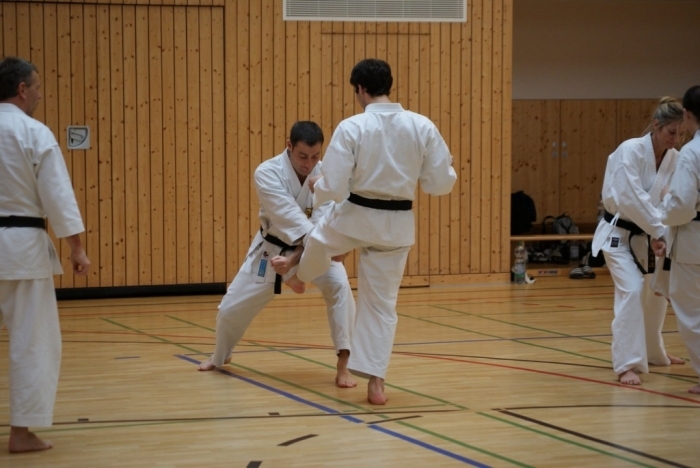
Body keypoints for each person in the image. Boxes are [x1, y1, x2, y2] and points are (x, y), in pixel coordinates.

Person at [274, 59, 456, 405]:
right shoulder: (422, 125)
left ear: (359, 89)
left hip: (355, 217)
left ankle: (299, 276)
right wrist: (447, 171)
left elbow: (335, 186)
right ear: (389, 84)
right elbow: (439, 184)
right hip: (397, 226)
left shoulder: (352, 126)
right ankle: (376, 383)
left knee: (319, 240)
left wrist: (317, 186)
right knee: (381, 306)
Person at [197, 121, 357, 388]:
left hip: (316, 249)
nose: (309, 163)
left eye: (315, 156)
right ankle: (220, 355)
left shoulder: (326, 176)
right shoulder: (267, 172)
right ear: (289, 146)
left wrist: (301, 258)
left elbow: (323, 222)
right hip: (272, 250)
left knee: (341, 288)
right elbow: (289, 217)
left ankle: (344, 365)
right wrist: (331, 248)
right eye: (302, 156)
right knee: (230, 308)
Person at [0, 57, 91, 453]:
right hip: (21, 250)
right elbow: (57, 195)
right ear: (22, 89)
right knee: (32, 342)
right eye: (37, 87)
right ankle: (21, 433)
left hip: (20, 246)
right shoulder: (33, 132)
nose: (39, 94)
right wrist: (76, 247)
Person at [591, 97, 685, 386]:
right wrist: (657, 231)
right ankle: (627, 364)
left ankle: (654, 351)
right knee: (632, 290)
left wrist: (661, 233)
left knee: (655, 294)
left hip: (649, 236)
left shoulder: (674, 159)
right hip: (618, 235)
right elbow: (630, 197)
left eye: (680, 134)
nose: (675, 139)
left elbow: (670, 199)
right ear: (656, 126)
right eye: (671, 132)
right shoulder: (629, 151)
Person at [659, 85, 700, 394]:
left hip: (693, 243)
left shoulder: (692, 153)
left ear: (686, 115)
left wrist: (664, 205)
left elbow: (682, 207)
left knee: (692, 313)